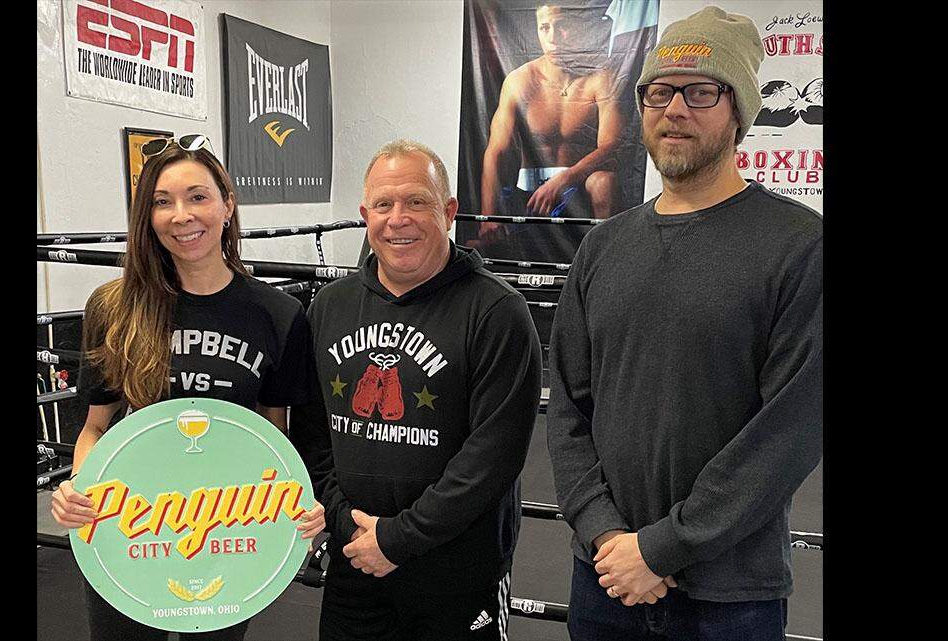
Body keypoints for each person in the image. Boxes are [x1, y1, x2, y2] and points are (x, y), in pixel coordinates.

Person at [547, 7, 822, 641]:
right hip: (605, 577)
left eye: (701, 92)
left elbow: (788, 431)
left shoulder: (799, 245)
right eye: (659, 91)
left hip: (728, 595)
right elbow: (568, 408)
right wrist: (605, 534)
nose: (675, 109)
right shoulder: (603, 247)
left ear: (739, 113)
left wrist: (661, 547)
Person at [48, 134, 326, 641]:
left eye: (198, 196)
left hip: (229, 526)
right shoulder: (114, 307)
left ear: (227, 205)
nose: (182, 216)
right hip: (132, 523)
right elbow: (95, 429)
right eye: (162, 202)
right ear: (147, 218)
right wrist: (78, 490)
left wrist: (297, 504)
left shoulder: (279, 314)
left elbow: (274, 437)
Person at [292, 139, 542, 641]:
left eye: (416, 201)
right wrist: (347, 525)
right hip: (355, 561)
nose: (398, 219)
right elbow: (312, 434)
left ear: (448, 212)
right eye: (383, 204)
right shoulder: (329, 307)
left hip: (457, 572)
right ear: (365, 216)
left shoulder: (497, 313)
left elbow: (492, 459)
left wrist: (397, 539)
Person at [473, 3, 623, 252]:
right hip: (529, 194)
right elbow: (496, 150)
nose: (553, 37)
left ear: (575, 28)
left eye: (561, 26)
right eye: (544, 27)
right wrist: (487, 217)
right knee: (481, 243)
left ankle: (605, 259)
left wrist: (563, 179)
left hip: (578, 185)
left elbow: (610, 146)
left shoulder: (599, 79)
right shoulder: (520, 80)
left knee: (604, 182)